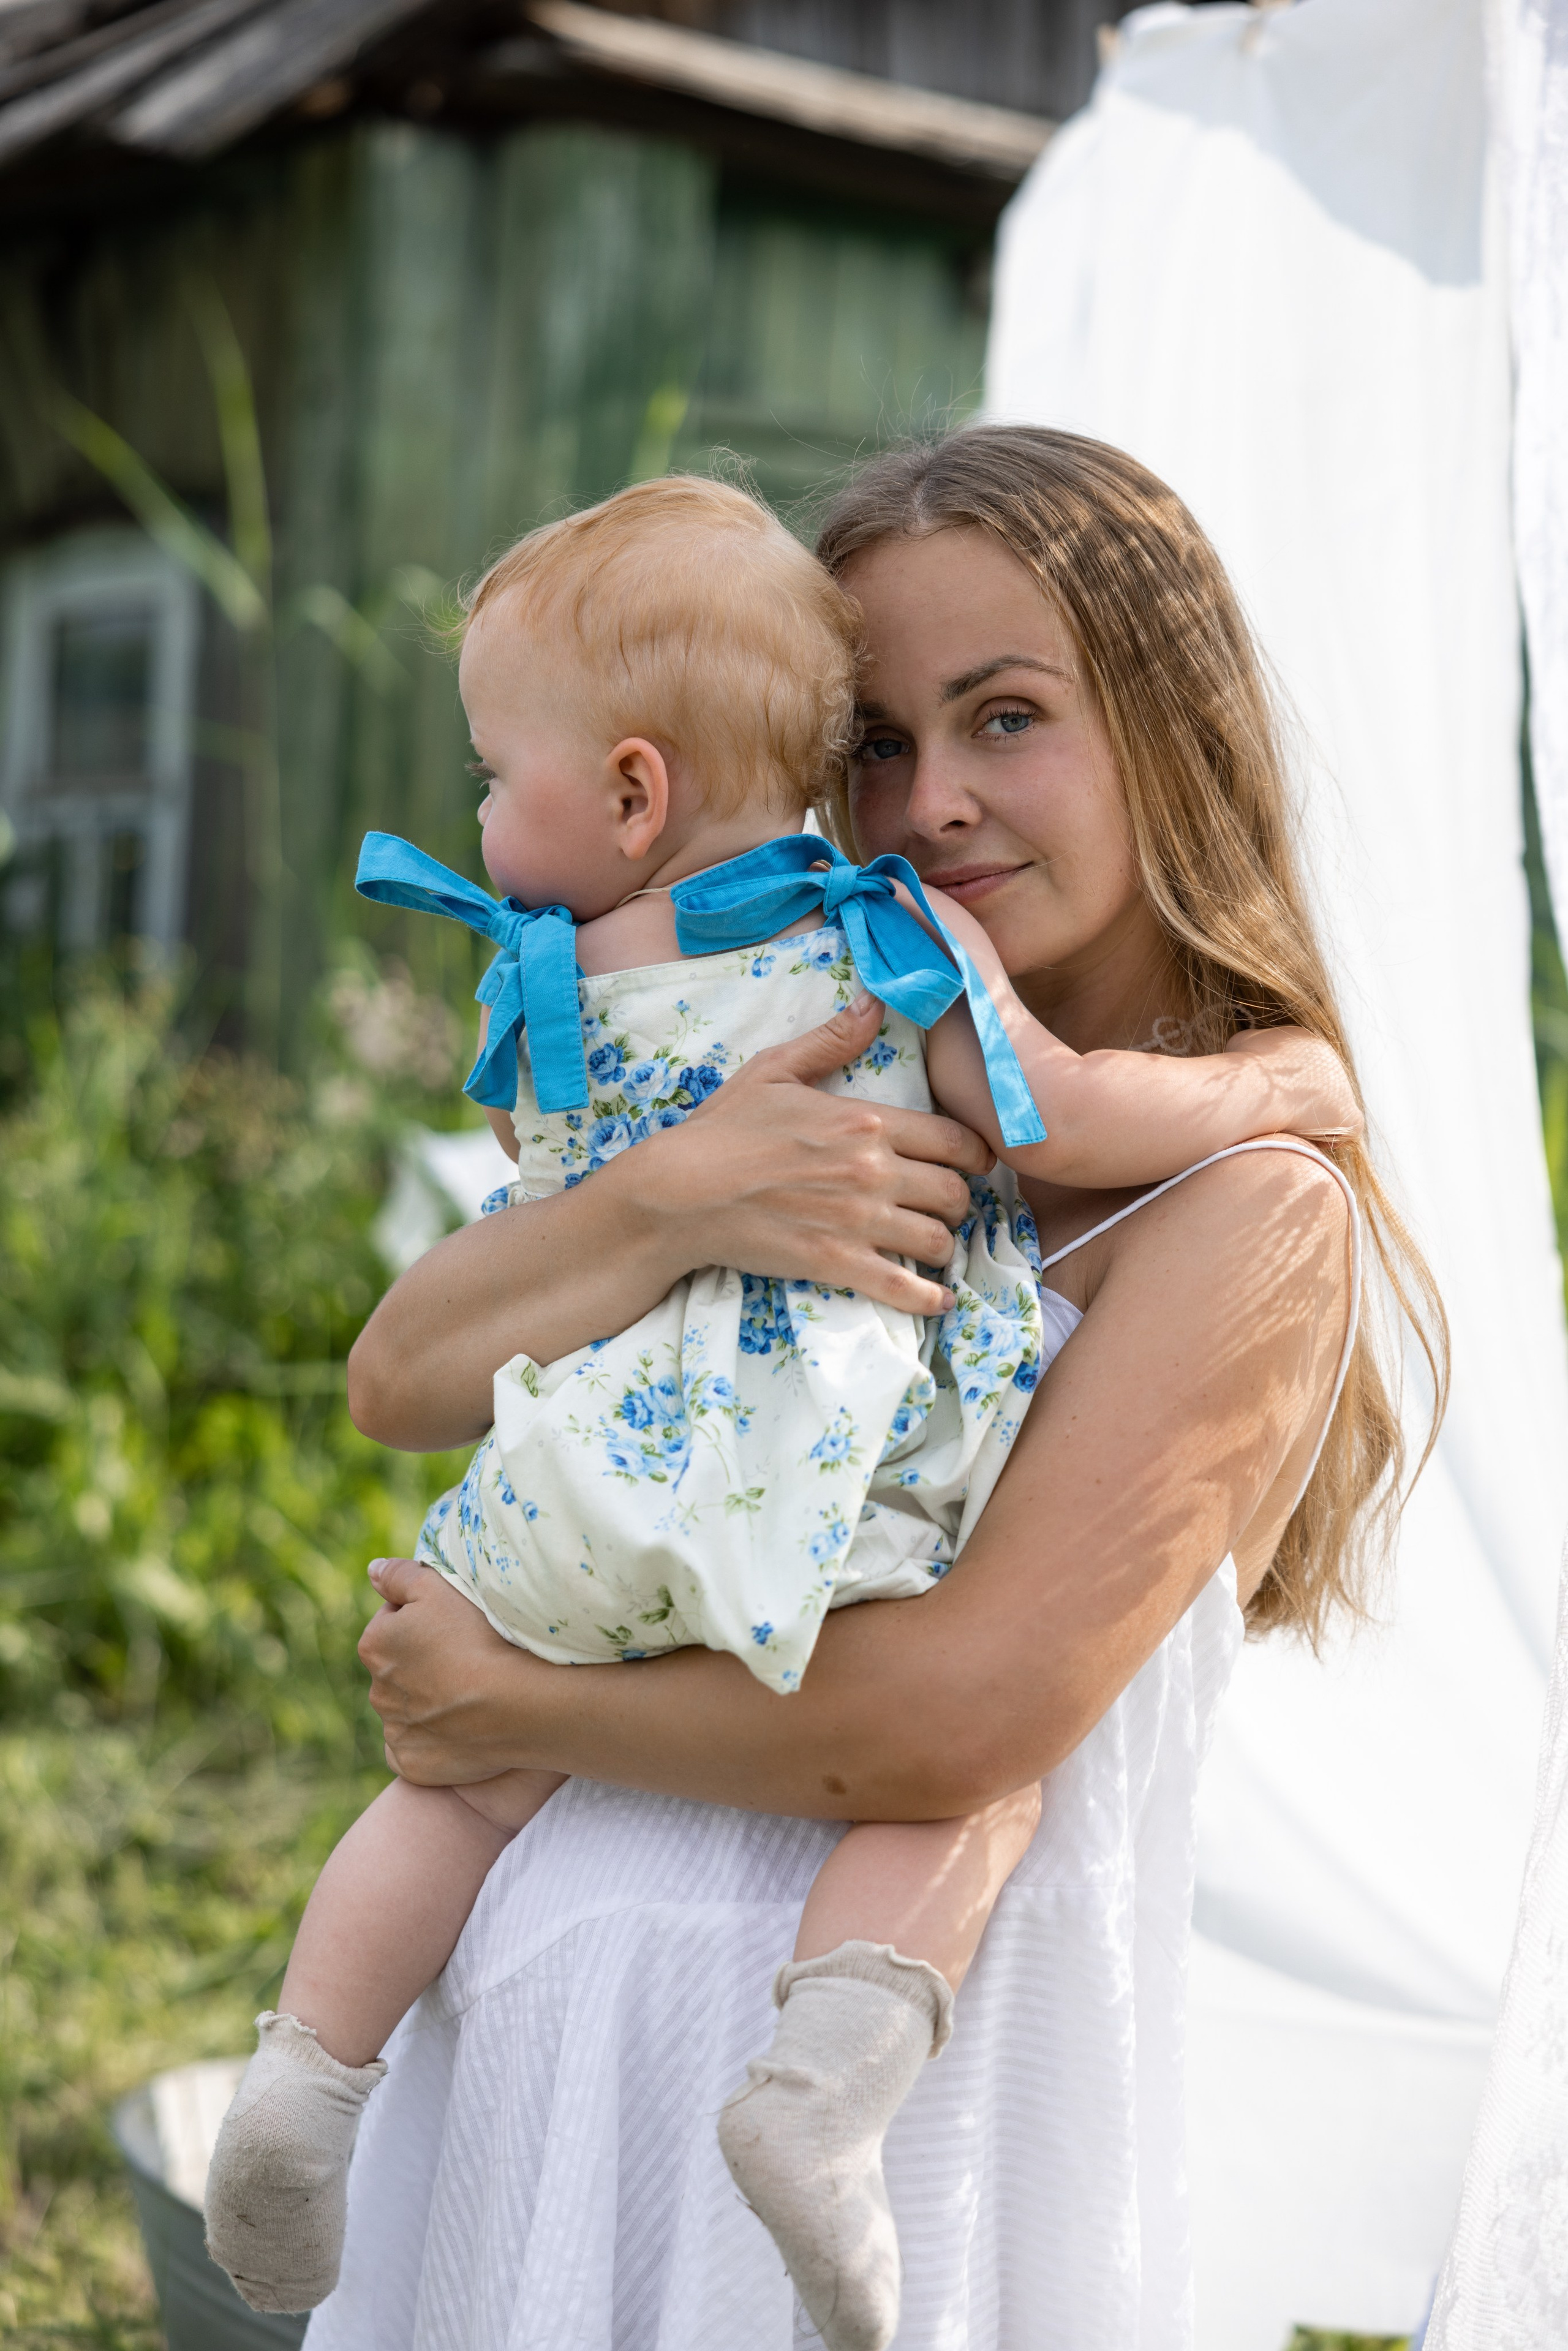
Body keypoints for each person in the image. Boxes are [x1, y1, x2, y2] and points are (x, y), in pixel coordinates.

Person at [305, 429, 1446, 2351]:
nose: (932, 804)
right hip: (551, 2063)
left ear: (1172, 737)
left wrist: (517, 1703)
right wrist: (674, 1197)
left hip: (893, 2145)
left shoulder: (1242, 1211)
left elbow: (957, 1720)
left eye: (1008, 718)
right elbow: (398, 1372)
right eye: (879, 745)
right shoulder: (780, 1098)